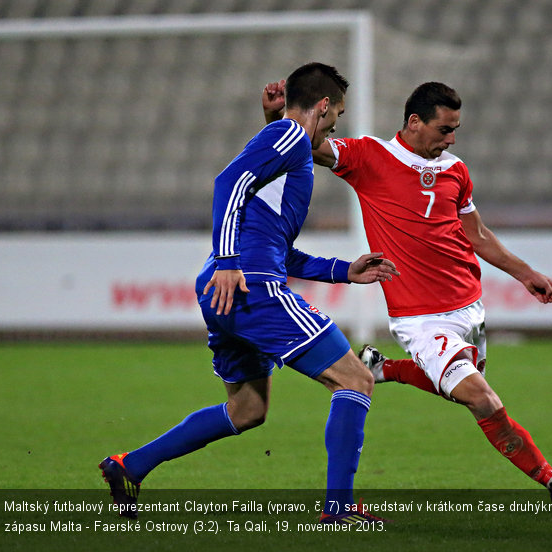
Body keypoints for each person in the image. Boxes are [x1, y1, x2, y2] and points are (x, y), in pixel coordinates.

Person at [262, 80, 552, 510]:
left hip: (469, 307)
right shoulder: (369, 157)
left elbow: (478, 235)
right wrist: (274, 117)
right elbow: (303, 144)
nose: (451, 139)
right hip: (421, 319)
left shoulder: (456, 170)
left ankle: (385, 369)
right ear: (415, 122)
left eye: (455, 130)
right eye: (444, 129)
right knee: (482, 399)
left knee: (460, 389)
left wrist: (525, 274)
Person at [99, 63, 399, 524]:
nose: (337, 124)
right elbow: (228, 182)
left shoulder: (283, 148)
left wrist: (343, 270)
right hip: (248, 285)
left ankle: (130, 465)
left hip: (227, 290)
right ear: (323, 106)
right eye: (336, 114)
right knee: (355, 379)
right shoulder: (294, 139)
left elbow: (276, 244)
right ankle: (338, 511)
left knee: (247, 409)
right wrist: (227, 260)